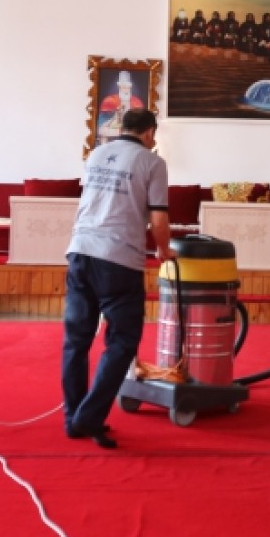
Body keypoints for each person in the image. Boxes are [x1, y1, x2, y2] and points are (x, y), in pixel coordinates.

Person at [63, 108, 175, 449]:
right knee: (123, 341)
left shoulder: (96, 154)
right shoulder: (152, 162)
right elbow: (158, 220)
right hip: (117, 259)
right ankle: (90, 416)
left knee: (76, 340)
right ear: (149, 132)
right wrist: (164, 252)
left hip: (80, 250)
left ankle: (74, 417)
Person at [96, 70, 144, 146]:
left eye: (128, 87)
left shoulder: (137, 103)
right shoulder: (109, 101)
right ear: (119, 86)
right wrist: (120, 132)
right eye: (123, 86)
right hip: (111, 142)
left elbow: (141, 130)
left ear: (130, 86)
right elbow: (100, 130)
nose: (125, 89)